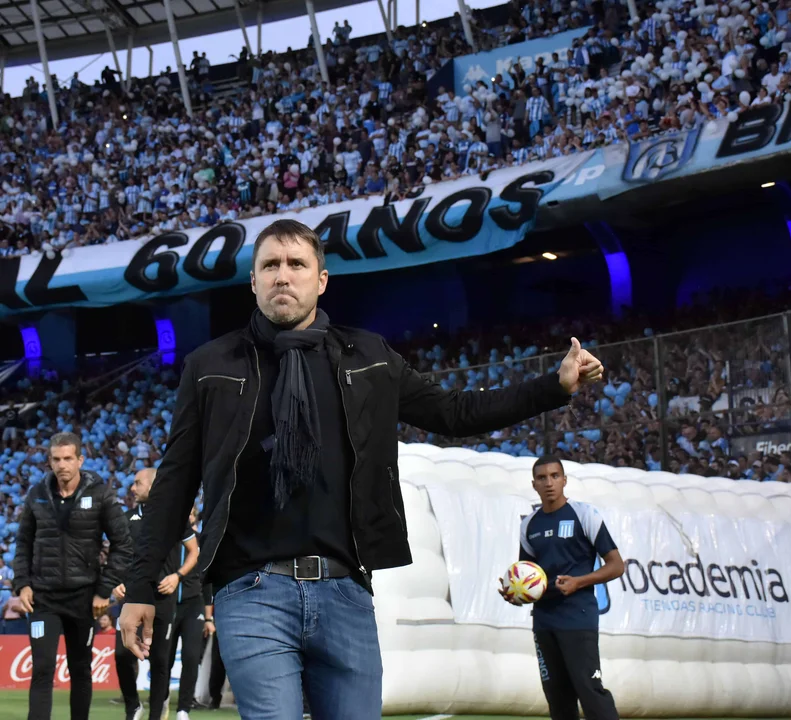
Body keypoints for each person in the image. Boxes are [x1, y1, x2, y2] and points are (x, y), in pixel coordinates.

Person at [119, 218, 603, 720]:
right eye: (270, 265)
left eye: (297, 264)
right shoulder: (210, 365)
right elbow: (175, 482)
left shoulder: (368, 357)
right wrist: (140, 588)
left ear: (321, 280)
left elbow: (454, 413)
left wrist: (553, 387)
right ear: (254, 281)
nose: (283, 275)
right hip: (251, 591)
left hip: (344, 590)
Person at [12, 432, 133, 720]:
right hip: (43, 598)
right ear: (49, 461)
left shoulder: (101, 494)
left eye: (68, 458)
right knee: (42, 669)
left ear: (80, 459)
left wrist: (103, 590)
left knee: (80, 669)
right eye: (56, 459)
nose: (62, 465)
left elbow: (123, 545)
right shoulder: (36, 494)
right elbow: (23, 543)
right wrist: (22, 584)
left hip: (84, 598)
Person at [500, 455, 624, 720]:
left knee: (590, 692)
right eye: (542, 478)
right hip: (544, 621)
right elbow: (528, 575)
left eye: (555, 476)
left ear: (564, 480)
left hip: (578, 617)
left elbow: (616, 565)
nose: (549, 483)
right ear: (534, 484)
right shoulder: (529, 525)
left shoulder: (584, 515)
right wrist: (515, 594)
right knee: (558, 701)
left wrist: (579, 582)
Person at [114, 468, 198, 720]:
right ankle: (133, 705)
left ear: (152, 485)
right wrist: (116, 583)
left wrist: (177, 576)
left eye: (137, 483)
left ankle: (155, 716)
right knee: (122, 654)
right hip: (132, 597)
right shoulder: (125, 519)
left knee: (160, 660)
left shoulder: (175, 517)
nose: (132, 488)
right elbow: (117, 556)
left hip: (163, 598)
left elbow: (194, 551)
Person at [166, 508, 207, 720]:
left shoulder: (201, 541)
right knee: (164, 657)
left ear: (195, 517)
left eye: (191, 513)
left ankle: (183, 709)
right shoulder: (167, 537)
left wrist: (209, 617)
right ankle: (162, 699)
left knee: (191, 657)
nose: (188, 516)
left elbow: (207, 579)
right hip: (168, 603)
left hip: (194, 604)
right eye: (186, 512)